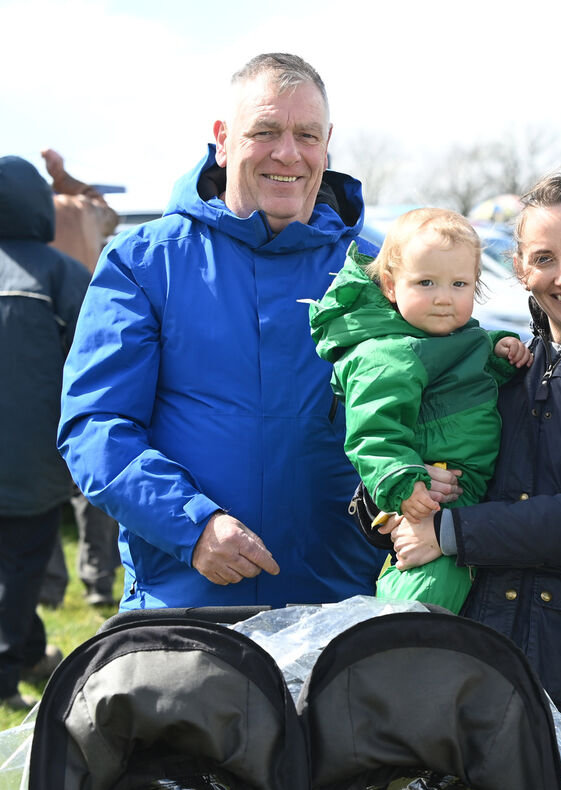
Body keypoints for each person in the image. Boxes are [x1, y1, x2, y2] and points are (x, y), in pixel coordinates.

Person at [368, 173, 561, 758]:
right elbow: (434, 458)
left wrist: (446, 532)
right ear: (519, 268)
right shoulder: (508, 365)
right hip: (465, 652)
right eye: (545, 258)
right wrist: (397, 499)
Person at [58, 53, 387, 610]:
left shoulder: (380, 271)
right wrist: (192, 525)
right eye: (265, 132)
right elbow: (96, 424)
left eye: (306, 135)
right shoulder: (143, 261)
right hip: (187, 601)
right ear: (222, 140)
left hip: (341, 605)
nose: (288, 153)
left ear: (327, 143)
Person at [309, 208, 531, 612]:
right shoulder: (389, 354)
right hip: (432, 494)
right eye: (426, 282)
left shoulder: (454, 336)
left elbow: (468, 360)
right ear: (392, 287)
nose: (444, 297)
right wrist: (402, 482)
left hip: (467, 493)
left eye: (459, 283)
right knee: (426, 597)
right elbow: (373, 433)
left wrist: (499, 352)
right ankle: (399, 655)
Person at [0, 155, 89, 709]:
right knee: (21, 567)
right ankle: (7, 673)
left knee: (15, 571)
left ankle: (29, 650)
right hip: (32, 461)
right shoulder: (62, 276)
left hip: (25, 461)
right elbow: (93, 366)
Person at [38, 148, 121, 609]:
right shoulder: (80, 208)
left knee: (39, 474)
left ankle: (46, 589)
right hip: (87, 341)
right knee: (93, 461)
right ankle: (97, 582)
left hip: (30, 352)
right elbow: (109, 213)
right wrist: (66, 178)